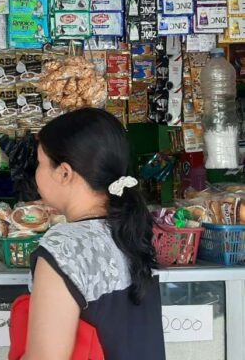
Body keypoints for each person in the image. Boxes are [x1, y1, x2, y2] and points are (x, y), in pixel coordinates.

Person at [24, 108, 165, 360]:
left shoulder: (64, 245)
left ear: (64, 173)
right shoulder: (133, 229)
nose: (36, 172)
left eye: (40, 163)